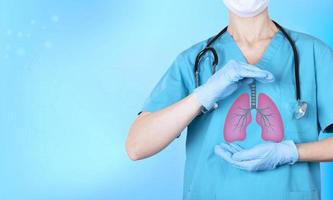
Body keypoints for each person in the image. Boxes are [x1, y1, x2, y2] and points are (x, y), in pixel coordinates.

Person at [125, 0, 333, 199]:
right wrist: (202, 96)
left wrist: (291, 152)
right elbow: (137, 146)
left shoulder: (312, 53)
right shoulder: (195, 61)